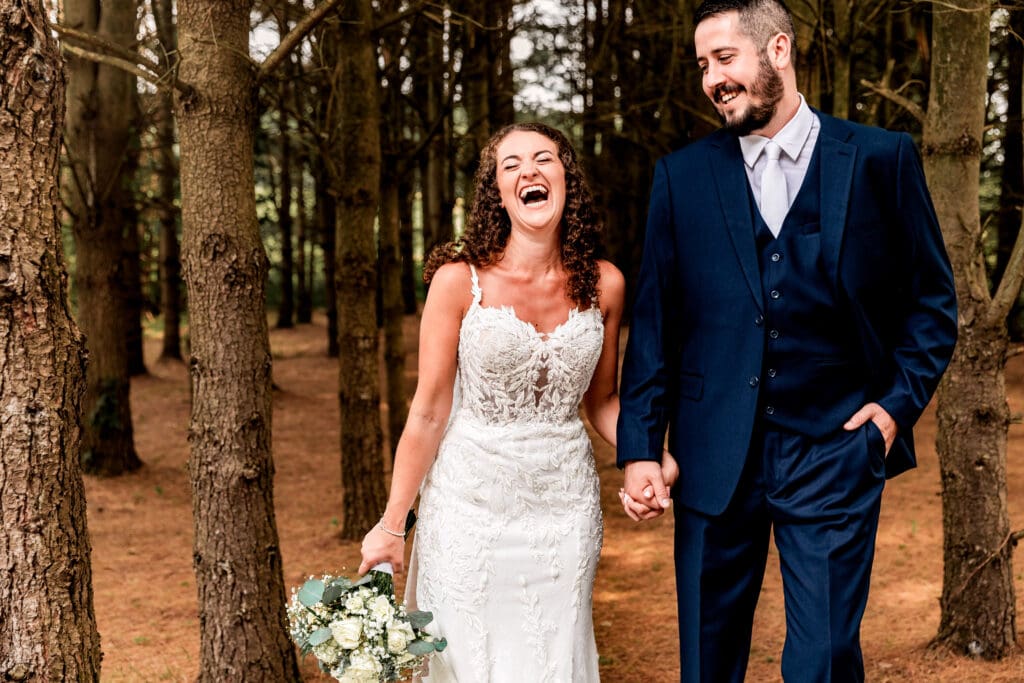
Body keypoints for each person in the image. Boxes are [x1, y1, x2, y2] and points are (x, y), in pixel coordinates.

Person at [615, 1, 958, 681]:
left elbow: (932, 304)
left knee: (823, 659)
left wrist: (892, 409)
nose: (711, 78)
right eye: (701, 65)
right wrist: (638, 449)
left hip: (835, 447)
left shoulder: (881, 159)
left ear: (778, 50)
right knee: (708, 663)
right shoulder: (680, 178)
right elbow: (655, 325)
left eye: (724, 58)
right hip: (713, 456)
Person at [359, 122, 677, 682]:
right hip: (467, 508)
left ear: (565, 180)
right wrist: (391, 525)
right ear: (498, 193)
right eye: (511, 165)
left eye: (543, 159)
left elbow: (601, 401)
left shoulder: (606, 285)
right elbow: (429, 411)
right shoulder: (459, 283)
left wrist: (648, 452)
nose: (528, 171)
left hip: (564, 511)